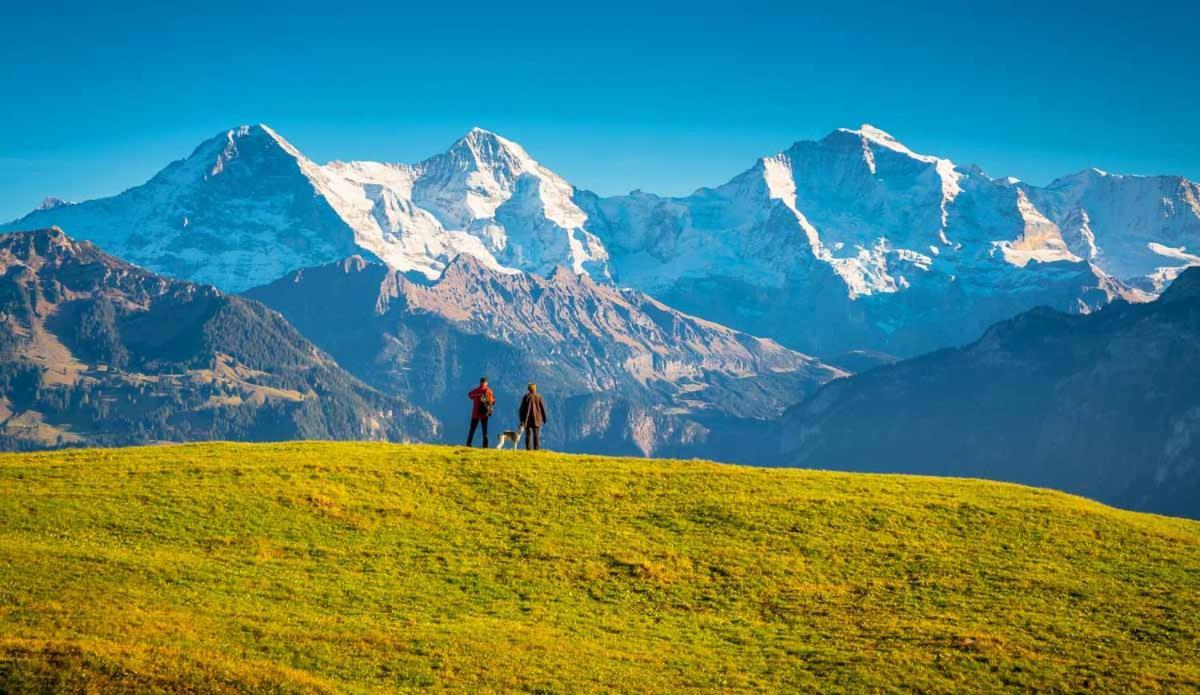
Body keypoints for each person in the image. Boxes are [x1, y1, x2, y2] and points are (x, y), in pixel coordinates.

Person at [518, 383, 548, 450]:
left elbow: (521, 410)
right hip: (537, 419)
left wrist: (521, 420)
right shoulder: (539, 396)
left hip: (527, 419)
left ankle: (528, 449)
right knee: (536, 435)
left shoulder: (526, 397)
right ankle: (536, 449)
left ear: (529, 389)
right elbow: (542, 408)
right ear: (535, 389)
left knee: (528, 435)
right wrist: (544, 418)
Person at [467, 377, 494, 447]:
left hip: (475, 414)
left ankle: (468, 444)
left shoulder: (476, 390)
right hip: (484, 414)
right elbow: (493, 401)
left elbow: (469, 395)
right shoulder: (489, 391)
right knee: (485, 432)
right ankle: (485, 446)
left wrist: (477, 396)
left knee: (472, 431)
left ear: (480, 382)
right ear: (486, 383)